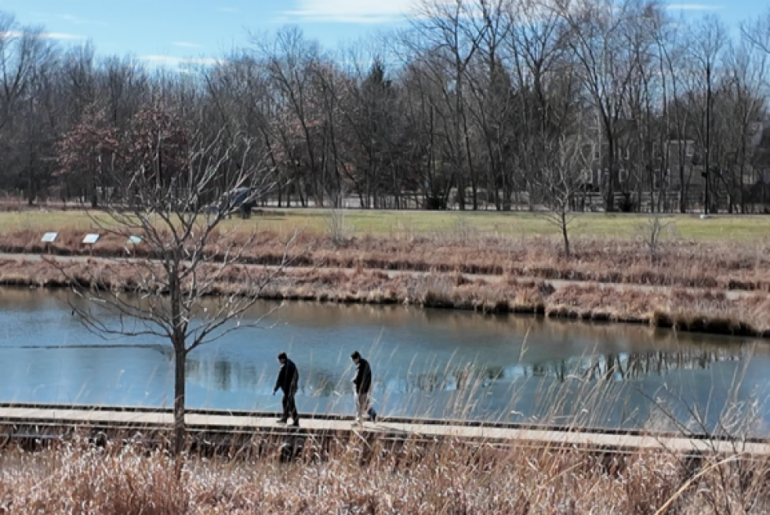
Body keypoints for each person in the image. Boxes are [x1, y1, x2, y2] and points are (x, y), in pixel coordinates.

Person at [272, 352, 300, 427]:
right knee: (285, 402)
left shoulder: (283, 367)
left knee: (290, 404)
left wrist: (275, 388)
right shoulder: (292, 364)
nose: (279, 362)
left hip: (288, 389)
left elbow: (279, 379)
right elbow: (297, 375)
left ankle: (296, 421)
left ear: (282, 359)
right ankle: (285, 418)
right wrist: (295, 386)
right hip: (292, 388)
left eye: (279, 360)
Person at [351, 351, 377, 425]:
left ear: (357, 358)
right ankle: (373, 414)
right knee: (365, 404)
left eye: (353, 360)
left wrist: (354, 380)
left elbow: (359, 377)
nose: (353, 361)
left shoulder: (361, 366)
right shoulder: (365, 363)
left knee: (359, 404)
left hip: (361, 389)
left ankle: (359, 420)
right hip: (366, 388)